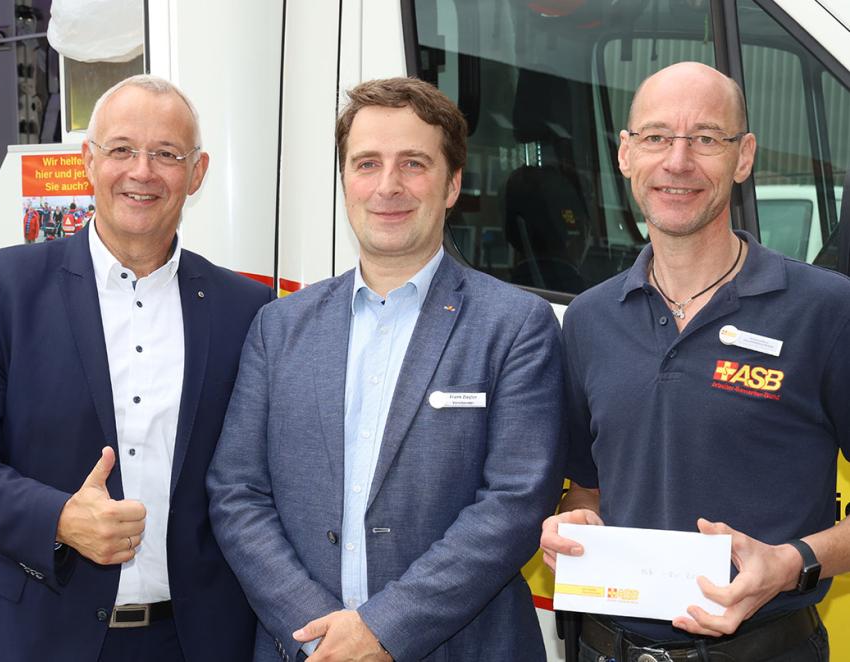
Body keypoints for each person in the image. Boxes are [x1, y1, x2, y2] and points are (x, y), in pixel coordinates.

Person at [207, 77, 566, 661]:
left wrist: (382, 629)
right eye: (366, 163)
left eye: (414, 164)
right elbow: (236, 493)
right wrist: (317, 629)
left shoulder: (516, 325)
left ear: (452, 185)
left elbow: (515, 503)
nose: (388, 186)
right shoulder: (280, 327)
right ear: (345, 180)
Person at [0, 74, 272, 662]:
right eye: (122, 150)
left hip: (191, 641)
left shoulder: (248, 310)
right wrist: (57, 516)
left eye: (166, 154)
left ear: (198, 173)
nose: (142, 171)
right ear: (88, 160)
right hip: (26, 635)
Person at [540, 61, 850, 661]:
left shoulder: (825, 311)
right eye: (656, 137)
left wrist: (794, 562)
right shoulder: (588, 319)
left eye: (706, 138)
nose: (677, 162)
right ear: (627, 154)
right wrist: (570, 526)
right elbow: (588, 492)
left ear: (744, 156)